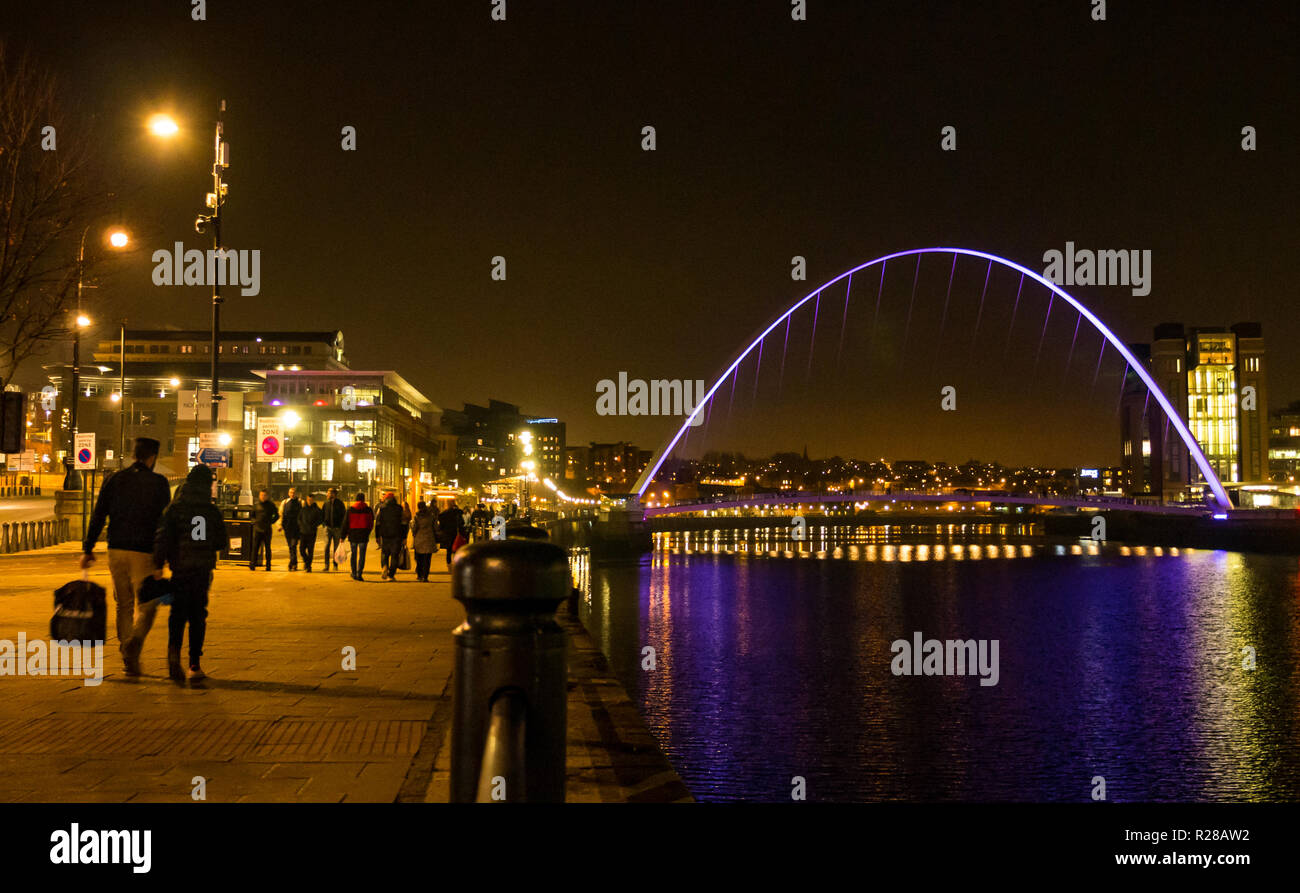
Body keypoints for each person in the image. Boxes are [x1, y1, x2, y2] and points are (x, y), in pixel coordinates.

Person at [80, 437, 172, 675]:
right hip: (143, 551)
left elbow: (99, 514)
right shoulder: (159, 483)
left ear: (134, 456)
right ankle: (133, 644)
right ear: (152, 458)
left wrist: (88, 549)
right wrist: (163, 557)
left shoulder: (114, 479)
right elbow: (165, 523)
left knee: (124, 603)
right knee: (149, 605)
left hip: (116, 550)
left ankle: (125, 650)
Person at [153, 463, 228, 682]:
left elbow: (163, 536)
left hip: (181, 568)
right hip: (202, 568)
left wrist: (159, 564)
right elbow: (221, 541)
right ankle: (194, 664)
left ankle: (173, 651)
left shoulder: (175, 508)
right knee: (198, 615)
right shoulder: (211, 510)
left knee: (177, 613)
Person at [374, 492, 406, 581]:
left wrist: (377, 536)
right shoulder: (399, 509)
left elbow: (378, 523)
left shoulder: (381, 509)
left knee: (385, 553)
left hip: (385, 535)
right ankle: (391, 575)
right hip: (397, 535)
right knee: (395, 555)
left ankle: (384, 566)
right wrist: (404, 537)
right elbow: (404, 523)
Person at [344, 492, 374, 580]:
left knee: (353, 554)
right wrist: (367, 532)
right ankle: (359, 573)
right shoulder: (368, 510)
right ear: (364, 499)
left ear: (356, 499)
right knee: (362, 555)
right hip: (363, 536)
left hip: (353, 535)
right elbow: (371, 523)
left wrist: (343, 535)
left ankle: (353, 573)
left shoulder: (350, 509)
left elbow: (346, 523)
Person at [250, 489, 279, 570]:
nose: (263, 497)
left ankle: (268, 565)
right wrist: (254, 522)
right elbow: (252, 516)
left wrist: (271, 521)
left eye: (264, 495)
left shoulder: (271, 505)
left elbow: (276, 515)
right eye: (261, 495)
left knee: (267, 548)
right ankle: (253, 564)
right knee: (255, 548)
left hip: (267, 529)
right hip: (257, 529)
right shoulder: (256, 505)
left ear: (267, 496)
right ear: (259, 495)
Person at [322, 487, 346, 572]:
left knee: (336, 548)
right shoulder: (326, 503)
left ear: (334, 494)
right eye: (327, 493)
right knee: (326, 547)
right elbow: (322, 515)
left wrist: (341, 527)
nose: (327, 495)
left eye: (329, 493)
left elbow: (344, 516)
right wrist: (324, 525)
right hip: (328, 528)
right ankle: (326, 565)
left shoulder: (340, 504)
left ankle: (335, 565)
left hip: (337, 529)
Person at [411, 501, 437, 582]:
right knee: (427, 559)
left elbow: (414, 528)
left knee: (419, 558)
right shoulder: (431, 516)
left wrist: (413, 533)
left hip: (419, 539)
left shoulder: (417, 516)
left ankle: (419, 575)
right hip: (429, 538)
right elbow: (435, 527)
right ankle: (425, 576)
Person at [298, 493, 324, 572]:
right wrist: (301, 525)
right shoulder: (303, 509)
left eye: (311, 500)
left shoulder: (317, 510)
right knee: (301, 550)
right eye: (308, 500)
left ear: (313, 500)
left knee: (310, 550)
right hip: (303, 532)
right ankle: (306, 562)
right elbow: (299, 519)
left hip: (312, 533)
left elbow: (321, 519)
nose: (310, 501)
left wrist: (314, 525)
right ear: (306, 499)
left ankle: (309, 566)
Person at [437, 502, 466, 568]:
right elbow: (462, 523)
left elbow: (441, 524)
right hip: (455, 533)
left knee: (449, 549)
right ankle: (456, 562)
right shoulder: (457, 514)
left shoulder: (444, 514)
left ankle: (449, 563)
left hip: (447, 533)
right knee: (456, 548)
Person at [280, 487, 301, 571]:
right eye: (291, 492)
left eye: (294, 492)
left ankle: (291, 563)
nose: (292, 494)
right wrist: (280, 526)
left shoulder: (300, 502)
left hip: (296, 529)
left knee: (293, 545)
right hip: (287, 528)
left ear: (296, 493)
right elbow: (281, 514)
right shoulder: (284, 502)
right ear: (288, 493)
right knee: (291, 547)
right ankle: (294, 563)